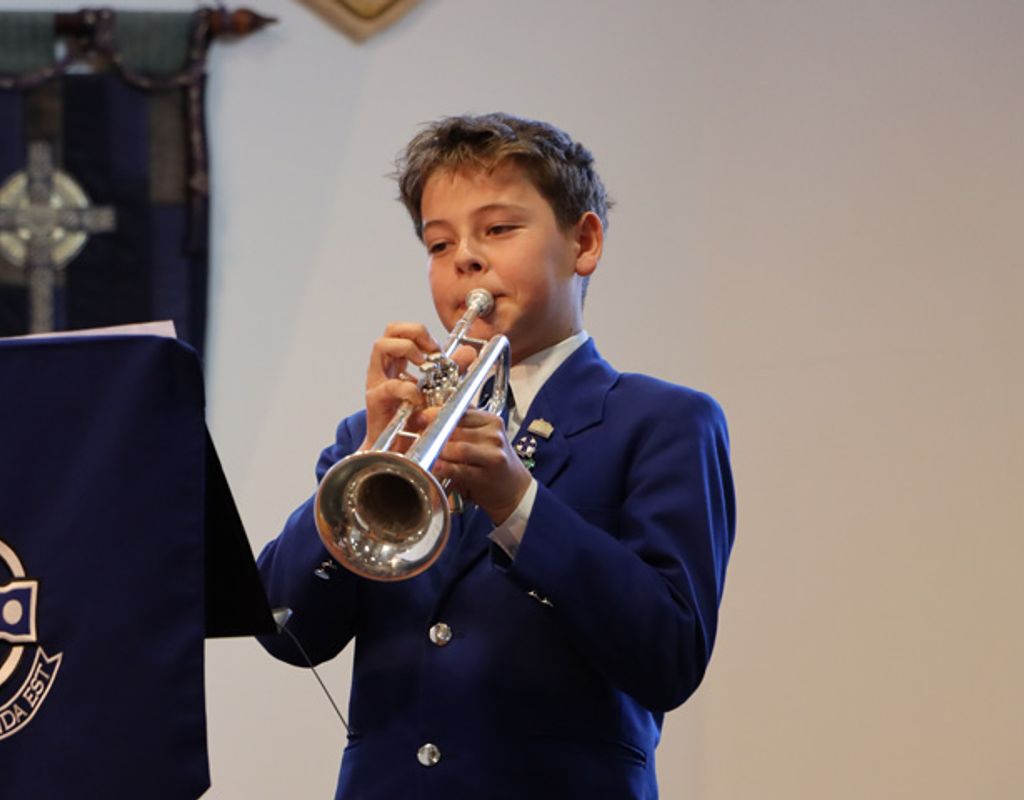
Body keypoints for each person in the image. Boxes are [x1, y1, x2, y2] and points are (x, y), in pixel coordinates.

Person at [257, 112, 736, 799]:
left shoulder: (661, 422)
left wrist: (519, 503)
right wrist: (365, 453)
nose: (465, 259)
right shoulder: (376, 440)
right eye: (439, 242)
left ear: (584, 242)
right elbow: (284, 629)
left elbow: (670, 655)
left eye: (499, 229)